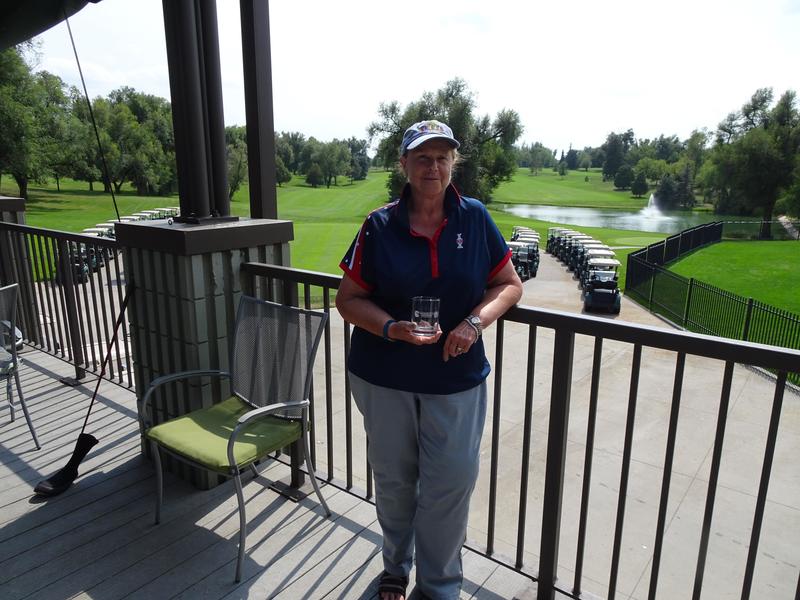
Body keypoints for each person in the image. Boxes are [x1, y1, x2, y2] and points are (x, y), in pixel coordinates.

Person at [336, 120, 523, 600]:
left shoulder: (474, 218)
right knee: (395, 482)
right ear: (404, 164)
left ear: (453, 163)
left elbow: (508, 285)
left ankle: (439, 587)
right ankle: (396, 567)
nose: (433, 167)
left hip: (455, 379)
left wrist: (473, 323)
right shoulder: (379, 225)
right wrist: (391, 327)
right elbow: (348, 299)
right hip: (384, 377)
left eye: (442, 157)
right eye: (422, 157)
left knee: (451, 483)